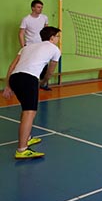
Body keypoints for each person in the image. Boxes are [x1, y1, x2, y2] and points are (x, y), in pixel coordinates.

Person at [3, 26, 62, 159]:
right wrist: (44, 82)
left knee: (26, 109)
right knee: (29, 112)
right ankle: (22, 149)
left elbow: (12, 66)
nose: (58, 39)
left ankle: (27, 138)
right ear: (52, 38)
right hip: (28, 79)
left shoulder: (27, 47)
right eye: (58, 36)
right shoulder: (55, 49)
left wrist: (8, 86)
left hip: (15, 78)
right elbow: (50, 71)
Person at [19, 0, 51, 90]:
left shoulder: (44, 18)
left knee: (44, 65)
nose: (40, 9)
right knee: (30, 66)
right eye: (38, 7)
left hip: (42, 46)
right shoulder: (26, 19)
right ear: (33, 8)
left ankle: (43, 84)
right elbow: (21, 33)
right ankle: (28, 85)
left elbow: (47, 31)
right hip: (30, 46)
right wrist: (23, 47)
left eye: (41, 7)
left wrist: (48, 43)